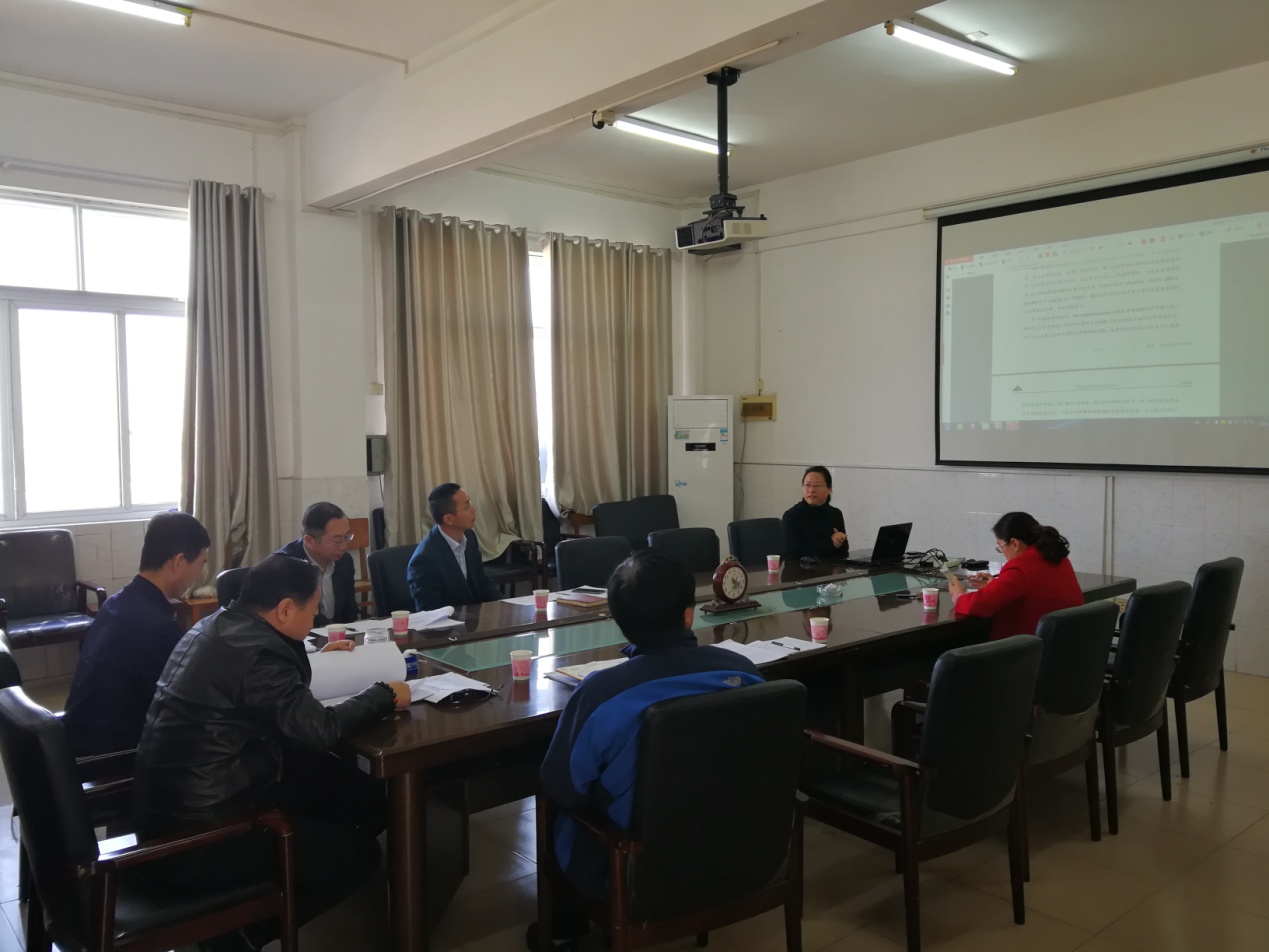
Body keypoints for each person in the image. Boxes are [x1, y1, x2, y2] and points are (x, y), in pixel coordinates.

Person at [133, 554, 410, 952]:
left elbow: (271, 695)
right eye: (312, 611)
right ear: (284, 610)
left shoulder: (216, 626)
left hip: (172, 814)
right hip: (203, 841)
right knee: (359, 856)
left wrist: (311, 654)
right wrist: (383, 695)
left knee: (361, 796)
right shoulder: (261, 654)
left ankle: (281, 891)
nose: (315, 621)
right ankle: (240, 933)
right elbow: (319, 730)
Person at [532, 550, 764, 948]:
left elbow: (561, 786)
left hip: (636, 867)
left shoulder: (601, 693)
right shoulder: (742, 671)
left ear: (618, 620)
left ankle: (563, 929)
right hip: (739, 852)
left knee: (559, 804)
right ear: (689, 615)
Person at [63, 511, 210, 757]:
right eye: (200, 565)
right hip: (112, 758)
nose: (198, 576)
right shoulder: (154, 626)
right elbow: (187, 705)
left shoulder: (116, 604)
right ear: (179, 561)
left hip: (79, 740)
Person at [949, 511, 1084, 640]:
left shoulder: (1020, 568)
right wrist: (997, 585)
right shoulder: (1059, 558)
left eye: (1000, 547)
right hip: (1064, 645)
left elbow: (980, 605)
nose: (1002, 552)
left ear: (1014, 543)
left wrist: (959, 595)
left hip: (1028, 649)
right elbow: (1033, 590)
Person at [408, 482, 500, 611]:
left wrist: (506, 605)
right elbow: (429, 611)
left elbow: (482, 582)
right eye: (467, 506)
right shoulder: (424, 559)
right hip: (447, 622)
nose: (473, 510)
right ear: (449, 519)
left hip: (471, 619)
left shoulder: (469, 537)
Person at [277, 501, 356, 628]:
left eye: (346, 537)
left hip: (338, 635)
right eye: (336, 540)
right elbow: (295, 619)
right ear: (309, 541)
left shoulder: (344, 561)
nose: (343, 546)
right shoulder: (286, 566)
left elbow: (349, 611)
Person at [781, 465, 848, 560]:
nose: (811, 490)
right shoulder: (791, 516)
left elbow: (843, 551)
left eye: (816, 486)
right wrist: (831, 542)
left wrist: (839, 540)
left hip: (830, 567)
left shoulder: (835, 514)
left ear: (829, 489)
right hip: (799, 568)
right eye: (807, 485)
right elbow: (794, 552)